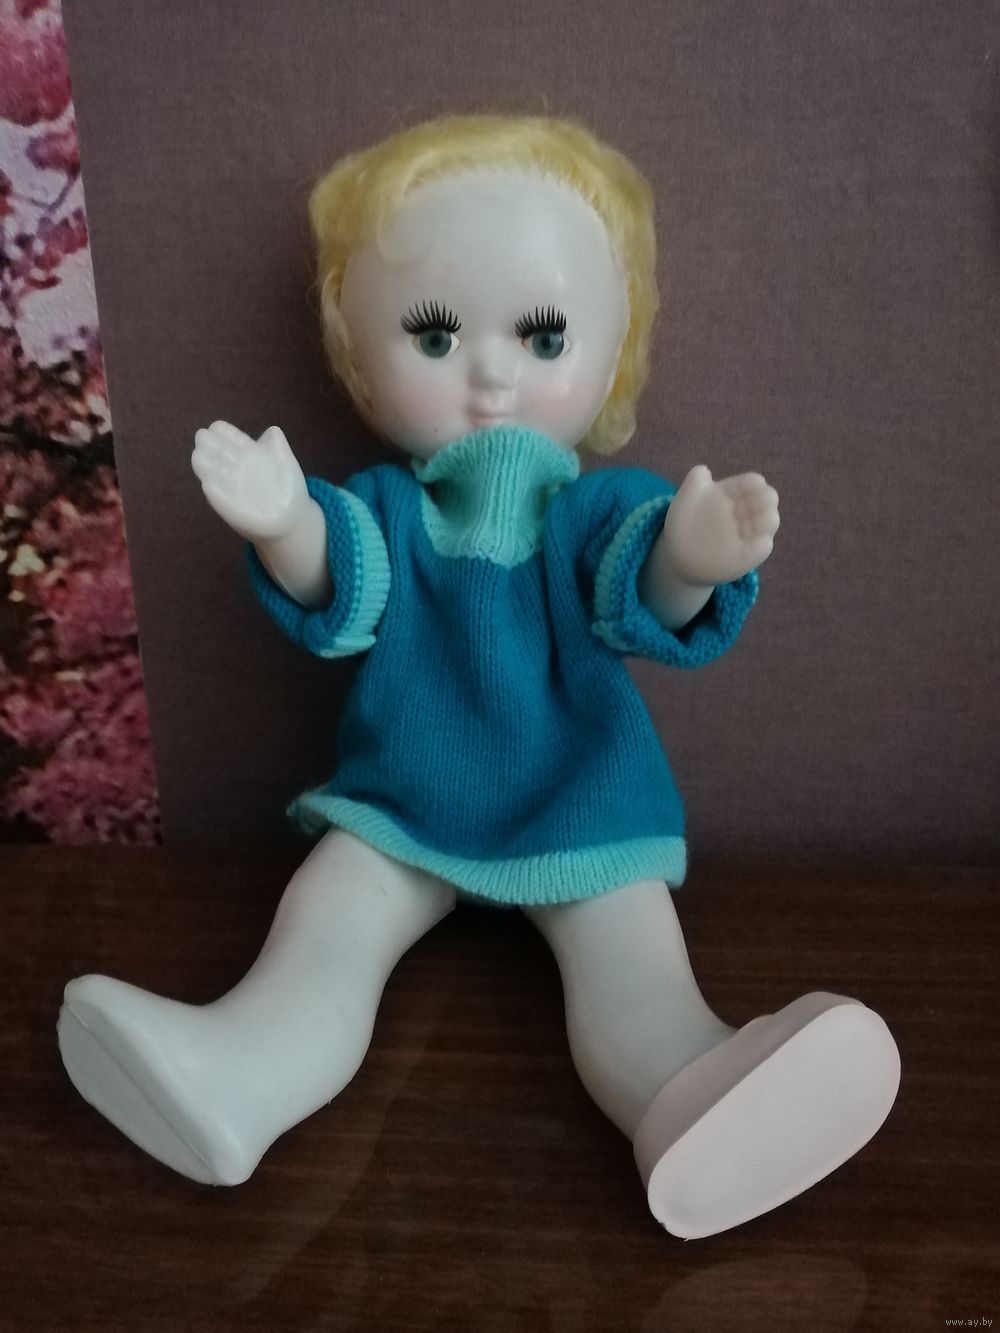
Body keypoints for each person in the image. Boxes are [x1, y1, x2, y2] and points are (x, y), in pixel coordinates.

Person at [58, 114, 899, 1237]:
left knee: (633, 969)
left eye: (544, 336)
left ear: (613, 354)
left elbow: (637, 586)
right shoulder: (390, 507)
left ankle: (688, 1089)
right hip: (405, 803)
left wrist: (690, 561)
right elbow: (341, 581)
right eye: (434, 333)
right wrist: (285, 522)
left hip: (580, 799)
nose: (493, 371)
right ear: (359, 358)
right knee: (325, 924)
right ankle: (239, 1074)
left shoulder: (592, 509)